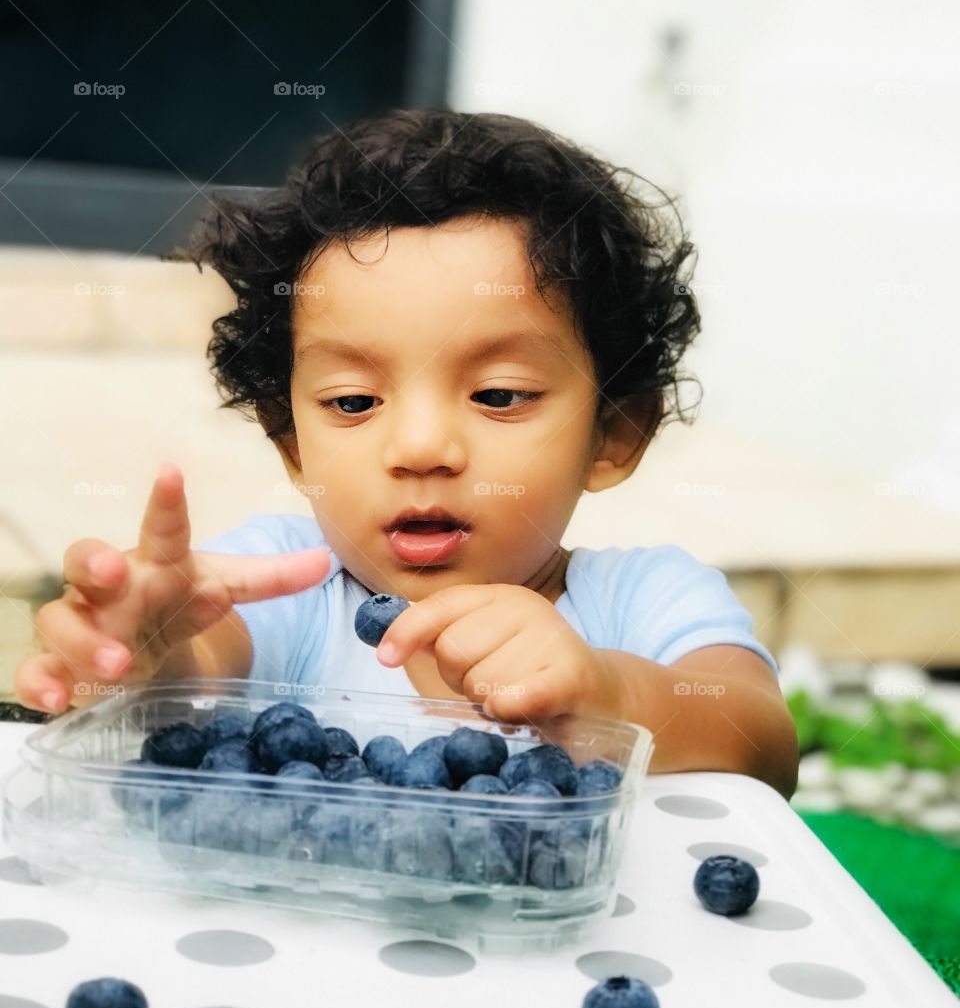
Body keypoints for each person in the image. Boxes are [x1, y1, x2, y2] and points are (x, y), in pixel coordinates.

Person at [14, 109, 798, 799]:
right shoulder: (291, 583)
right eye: (354, 403)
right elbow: (205, 654)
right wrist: (147, 652)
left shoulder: (643, 601)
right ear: (292, 442)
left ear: (615, 434)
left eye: (498, 396)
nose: (420, 448)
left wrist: (610, 696)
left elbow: (761, 742)